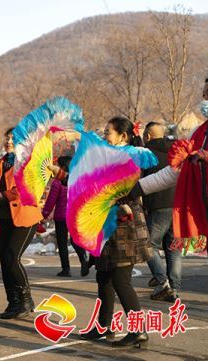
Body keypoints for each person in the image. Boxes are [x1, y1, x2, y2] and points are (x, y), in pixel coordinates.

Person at [128, 75, 208, 311]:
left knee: (152, 244)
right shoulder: (199, 134)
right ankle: (171, 285)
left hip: (163, 210)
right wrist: (136, 189)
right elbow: (173, 172)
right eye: (206, 94)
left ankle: (166, 283)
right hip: (207, 218)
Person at [81, 116, 152, 347]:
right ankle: (104, 325)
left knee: (121, 279)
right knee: (104, 277)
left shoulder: (130, 156)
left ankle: (138, 330)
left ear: (122, 136)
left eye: (108, 133)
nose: (104, 137)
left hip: (124, 222)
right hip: (107, 222)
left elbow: (121, 188)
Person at [0, 128, 43, 319]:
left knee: (13, 257)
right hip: (6, 217)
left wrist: (2, 195)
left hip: (26, 216)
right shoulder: (1, 163)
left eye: (14, 138)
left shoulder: (29, 163)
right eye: (7, 137)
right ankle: (13, 301)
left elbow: (24, 189)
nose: (9, 141)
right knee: (5, 261)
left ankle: (26, 300)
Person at [141, 122, 180, 301]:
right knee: (174, 249)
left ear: (148, 136)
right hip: (179, 206)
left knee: (149, 245)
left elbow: (139, 181)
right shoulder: (176, 152)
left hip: (159, 205)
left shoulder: (146, 154)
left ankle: (162, 283)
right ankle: (174, 289)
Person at [42, 156, 89, 277]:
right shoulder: (77, 180)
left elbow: (51, 201)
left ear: (62, 167)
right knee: (75, 240)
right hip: (75, 215)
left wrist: (44, 214)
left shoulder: (57, 183)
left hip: (61, 217)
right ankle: (84, 261)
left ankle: (66, 269)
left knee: (62, 243)